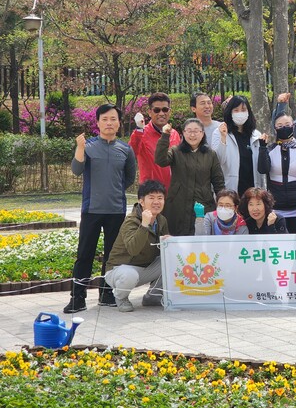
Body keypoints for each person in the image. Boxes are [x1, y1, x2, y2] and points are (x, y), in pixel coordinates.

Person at [64, 103, 137, 314]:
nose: (109, 123)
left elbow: (129, 178)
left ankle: (107, 294)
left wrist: (113, 190)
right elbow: (76, 170)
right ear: (97, 122)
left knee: (112, 256)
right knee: (84, 255)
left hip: (116, 210)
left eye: (113, 119)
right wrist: (79, 148)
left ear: (119, 123)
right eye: (104, 119)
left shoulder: (125, 149)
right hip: (91, 210)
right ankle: (78, 298)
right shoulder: (88, 146)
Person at [104, 180, 170, 312]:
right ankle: (121, 297)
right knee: (130, 275)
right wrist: (144, 225)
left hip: (145, 268)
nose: (156, 202)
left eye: (160, 198)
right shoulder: (131, 221)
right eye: (151, 198)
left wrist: (168, 243)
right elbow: (133, 249)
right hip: (120, 269)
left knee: (170, 259)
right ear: (141, 201)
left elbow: (163, 250)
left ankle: (154, 295)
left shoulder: (161, 220)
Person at [155, 118, 225, 236]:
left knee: (201, 239)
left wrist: (223, 203)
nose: (192, 135)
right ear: (183, 133)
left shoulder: (210, 154)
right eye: (189, 131)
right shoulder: (176, 151)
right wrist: (165, 136)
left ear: (202, 133)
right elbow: (160, 160)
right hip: (177, 205)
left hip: (203, 205)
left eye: (196, 131)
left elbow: (218, 182)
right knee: (176, 239)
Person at [258, 114, 296, 233]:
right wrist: (262, 148)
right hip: (275, 207)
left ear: (293, 127)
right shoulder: (270, 149)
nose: (284, 128)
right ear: (275, 129)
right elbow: (262, 169)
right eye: (280, 126)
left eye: (287, 125)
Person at [212, 95, 266, 195]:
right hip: (231, 190)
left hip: (253, 191)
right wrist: (223, 139)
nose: (240, 113)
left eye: (243, 110)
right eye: (236, 110)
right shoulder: (220, 132)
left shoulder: (256, 135)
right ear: (230, 112)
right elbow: (218, 161)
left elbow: (261, 166)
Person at [129, 92, 181, 189]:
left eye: (165, 109)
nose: (161, 113)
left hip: (173, 192)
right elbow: (131, 153)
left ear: (169, 111)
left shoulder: (175, 134)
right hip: (150, 192)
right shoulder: (141, 134)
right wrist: (139, 130)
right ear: (149, 112)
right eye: (157, 110)